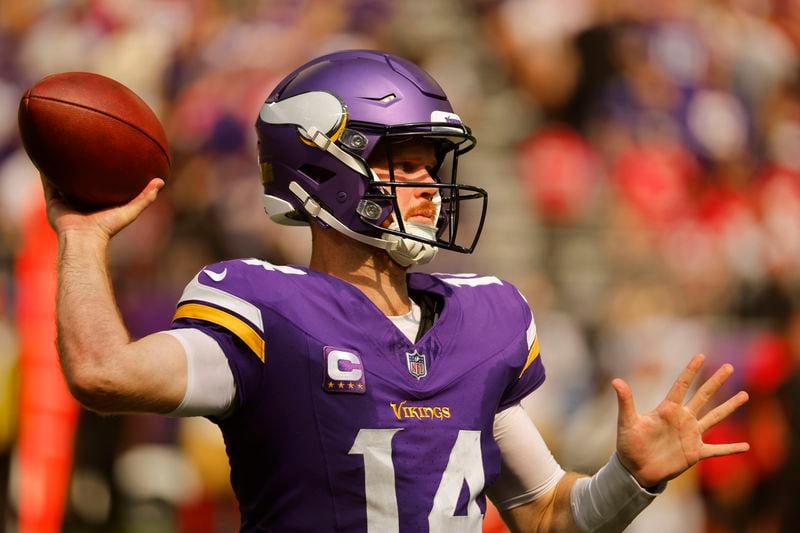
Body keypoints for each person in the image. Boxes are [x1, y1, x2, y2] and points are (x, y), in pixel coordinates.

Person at [44, 50, 749, 532]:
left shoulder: (482, 322)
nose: (430, 188)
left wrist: (631, 477)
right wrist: (81, 238)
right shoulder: (266, 311)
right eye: (404, 164)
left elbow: (547, 514)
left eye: (430, 167)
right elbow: (103, 372)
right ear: (324, 169)